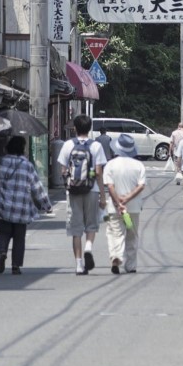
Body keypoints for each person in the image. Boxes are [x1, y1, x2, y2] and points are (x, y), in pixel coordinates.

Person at [0, 135, 52, 275]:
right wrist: (46, 205)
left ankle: (2, 252)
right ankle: (16, 266)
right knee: (19, 237)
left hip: (3, 206)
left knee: (3, 232)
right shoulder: (27, 165)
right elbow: (37, 187)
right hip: (21, 208)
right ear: (22, 149)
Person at [58, 113, 107, 274]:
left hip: (73, 190)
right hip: (91, 189)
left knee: (76, 228)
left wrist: (69, 184)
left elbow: (63, 170)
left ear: (75, 128)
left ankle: (79, 265)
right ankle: (88, 247)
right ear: (90, 128)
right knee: (91, 224)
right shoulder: (96, 146)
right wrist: (102, 195)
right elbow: (98, 172)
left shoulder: (68, 145)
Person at [103, 132, 146, 275]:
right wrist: (127, 199)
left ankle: (116, 256)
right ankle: (131, 265)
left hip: (114, 208)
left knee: (114, 232)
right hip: (133, 208)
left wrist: (118, 202)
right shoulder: (138, 165)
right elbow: (141, 186)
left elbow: (110, 186)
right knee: (132, 235)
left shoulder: (110, 165)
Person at [168, 119, 183, 185]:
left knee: (177, 165)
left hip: (176, 152)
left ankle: (178, 180)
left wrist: (170, 152)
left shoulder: (174, 133)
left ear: (178, 126)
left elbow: (171, 143)